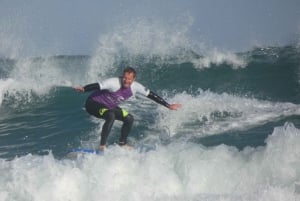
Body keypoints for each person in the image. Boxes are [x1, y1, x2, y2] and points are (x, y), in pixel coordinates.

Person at [74, 67, 181, 150]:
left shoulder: (136, 87)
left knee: (129, 118)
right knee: (110, 115)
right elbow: (97, 85)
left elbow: (151, 95)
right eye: (124, 78)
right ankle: (102, 146)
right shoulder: (114, 82)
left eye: (129, 79)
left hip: (109, 106)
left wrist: (168, 105)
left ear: (133, 79)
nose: (126, 81)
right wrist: (84, 89)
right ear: (122, 76)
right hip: (93, 104)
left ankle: (122, 143)